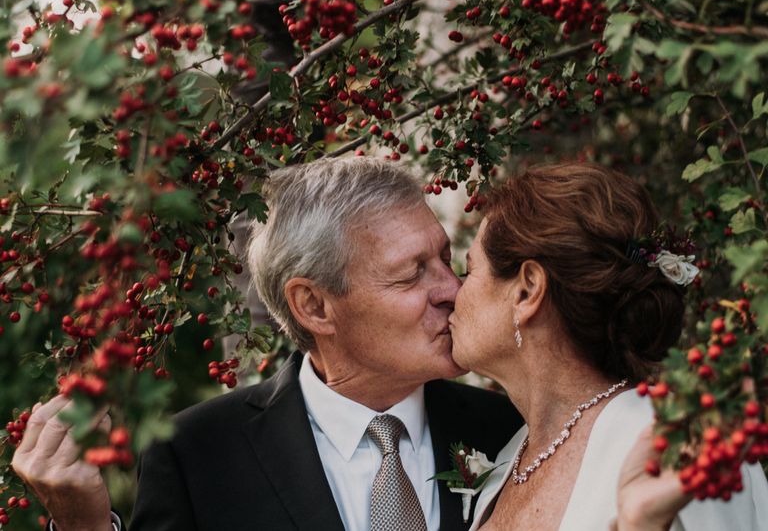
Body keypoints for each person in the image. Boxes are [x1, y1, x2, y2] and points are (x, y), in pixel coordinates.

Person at [13, 157, 522, 531]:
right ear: (315, 306)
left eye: (443, 259)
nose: (452, 290)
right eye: (412, 275)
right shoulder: (196, 454)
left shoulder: (508, 429)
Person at [447, 163, 768, 530]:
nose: (454, 291)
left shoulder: (669, 441)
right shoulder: (506, 462)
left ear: (527, 290)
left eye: (468, 270)